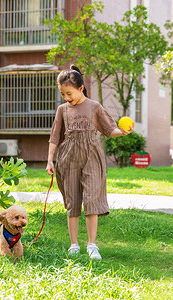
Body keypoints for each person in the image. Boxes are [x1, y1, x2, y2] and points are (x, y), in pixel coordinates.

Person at [46, 65, 133, 260]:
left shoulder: (94, 107)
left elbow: (110, 130)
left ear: (81, 88)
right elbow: (54, 137)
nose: (66, 98)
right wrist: (50, 160)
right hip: (68, 158)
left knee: (92, 199)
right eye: (62, 94)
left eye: (69, 93)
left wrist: (124, 132)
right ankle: (74, 244)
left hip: (92, 157)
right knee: (73, 202)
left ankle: (92, 245)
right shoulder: (62, 110)